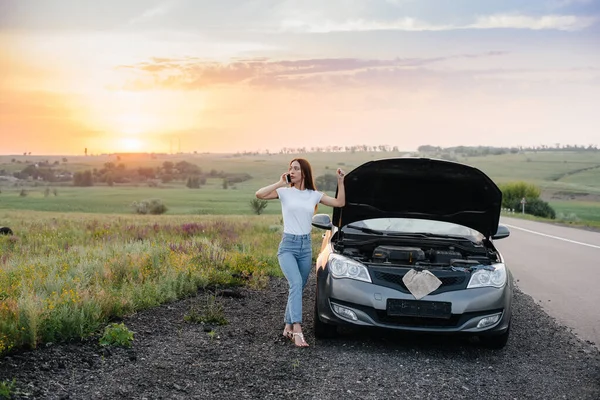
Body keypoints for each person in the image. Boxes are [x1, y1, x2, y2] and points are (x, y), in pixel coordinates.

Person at [255, 158, 345, 347]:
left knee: (298, 287)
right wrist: (280, 182)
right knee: (295, 283)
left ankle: (287, 326)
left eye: (296, 168)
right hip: (288, 246)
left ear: (304, 172)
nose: (292, 171)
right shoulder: (285, 192)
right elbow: (259, 194)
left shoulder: (313, 195)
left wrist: (340, 181)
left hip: (305, 248)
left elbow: (339, 203)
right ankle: (297, 329)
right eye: (290, 168)